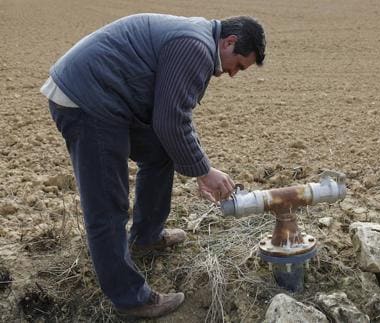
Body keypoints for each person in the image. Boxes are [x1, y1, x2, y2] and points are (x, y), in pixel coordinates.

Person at [40, 13, 266, 318]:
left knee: (161, 151)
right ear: (229, 42)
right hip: (88, 101)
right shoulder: (196, 47)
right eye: (238, 65)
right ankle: (131, 299)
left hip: (110, 98)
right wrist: (204, 172)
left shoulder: (197, 39)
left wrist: (200, 167)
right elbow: (171, 119)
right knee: (107, 205)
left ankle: (146, 237)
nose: (234, 74)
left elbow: (171, 119)